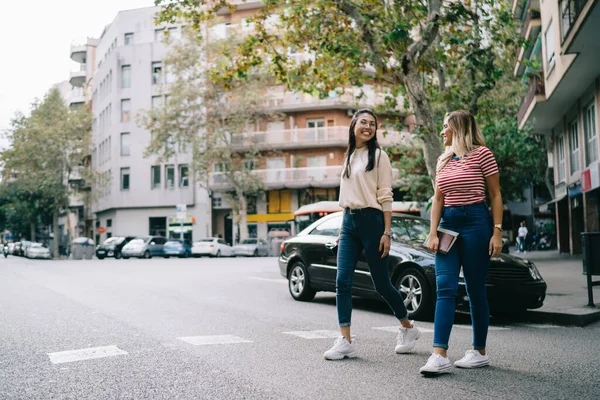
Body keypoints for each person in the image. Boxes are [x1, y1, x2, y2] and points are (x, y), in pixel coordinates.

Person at [323, 109, 420, 360]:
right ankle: (345, 340)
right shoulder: (349, 156)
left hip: (373, 222)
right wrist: (341, 232)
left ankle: (408, 327)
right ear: (353, 124)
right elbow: (347, 198)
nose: (368, 127)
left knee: (381, 284)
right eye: (363, 122)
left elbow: (385, 195)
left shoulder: (379, 156)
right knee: (342, 281)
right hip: (348, 223)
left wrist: (387, 232)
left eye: (373, 124)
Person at [423, 110, 503, 375]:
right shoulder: (442, 160)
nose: (442, 131)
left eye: (446, 126)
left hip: (476, 222)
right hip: (448, 223)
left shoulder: (483, 154)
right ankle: (439, 355)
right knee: (444, 287)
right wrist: (432, 232)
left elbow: (495, 194)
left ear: (458, 128)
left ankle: (479, 351)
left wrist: (497, 232)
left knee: (474, 290)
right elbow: (437, 199)